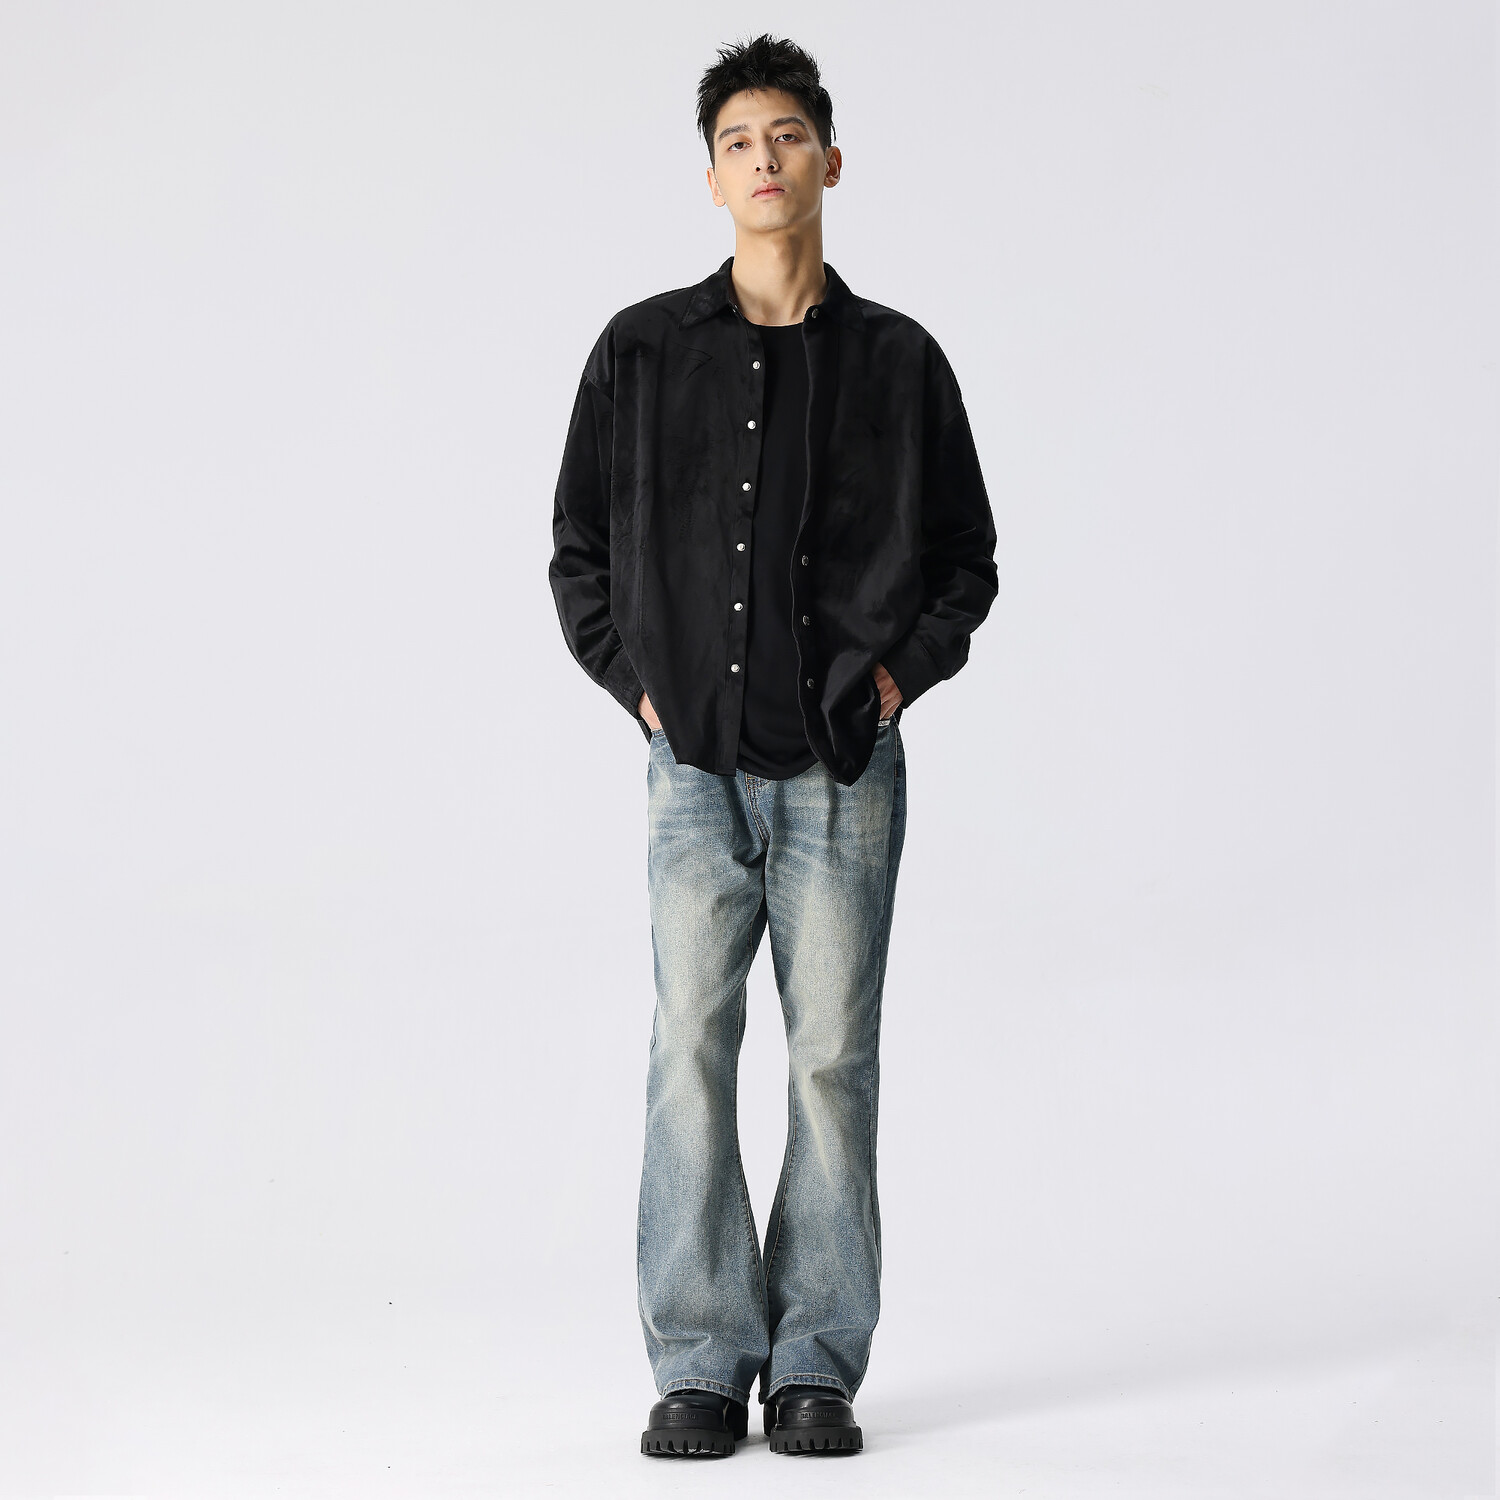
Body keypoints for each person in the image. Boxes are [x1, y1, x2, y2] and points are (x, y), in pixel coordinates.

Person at [548, 34, 998, 1458]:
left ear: (830, 162)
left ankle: (815, 1364)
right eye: (739, 140)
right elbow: (577, 551)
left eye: (787, 135)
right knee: (688, 1045)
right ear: (711, 177)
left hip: (842, 775)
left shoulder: (900, 361)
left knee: (831, 1062)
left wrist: (892, 685)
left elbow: (967, 563)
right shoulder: (639, 353)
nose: (764, 158)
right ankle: (698, 1358)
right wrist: (643, 692)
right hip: (691, 775)